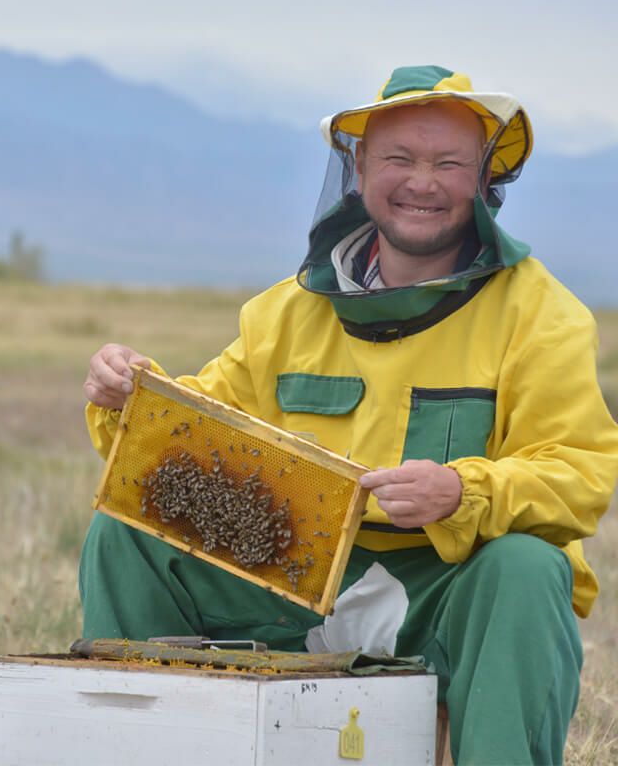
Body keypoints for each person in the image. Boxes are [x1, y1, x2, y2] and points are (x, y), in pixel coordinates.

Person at [80, 65, 618, 764]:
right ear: (360, 168)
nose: (422, 182)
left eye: (448, 162)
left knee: (528, 566)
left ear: (485, 180)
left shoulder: (542, 315)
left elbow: (580, 475)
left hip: (445, 602)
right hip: (289, 595)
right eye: (399, 158)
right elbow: (191, 440)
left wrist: (464, 492)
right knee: (129, 536)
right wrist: (129, 397)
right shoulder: (285, 313)